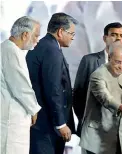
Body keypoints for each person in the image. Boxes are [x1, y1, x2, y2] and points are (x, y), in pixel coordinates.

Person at [26, 13, 78, 154]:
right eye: (71, 33)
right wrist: (61, 123)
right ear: (61, 32)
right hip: (47, 126)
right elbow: (53, 89)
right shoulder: (51, 50)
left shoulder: (45, 45)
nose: (73, 37)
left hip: (42, 124)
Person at [79, 42, 122, 154]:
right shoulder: (98, 75)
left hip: (120, 137)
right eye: (118, 62)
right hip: (97, 138)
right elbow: (105, 98)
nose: (121, 67)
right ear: (109, 57)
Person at [73, 22, 122, 136]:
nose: (118, 38)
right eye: (114, 35)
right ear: (105, 38)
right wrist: (85, 119)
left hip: (117, 128)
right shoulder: (89, 60)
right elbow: (78, 93)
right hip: (92, 127)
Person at [1, 16, 41, 154]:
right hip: (11, 121)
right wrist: (34, 109)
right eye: (36, 35)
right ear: (25, 35)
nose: (37, 40)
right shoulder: (10, 51)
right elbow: (21, 87)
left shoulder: (9, 49)